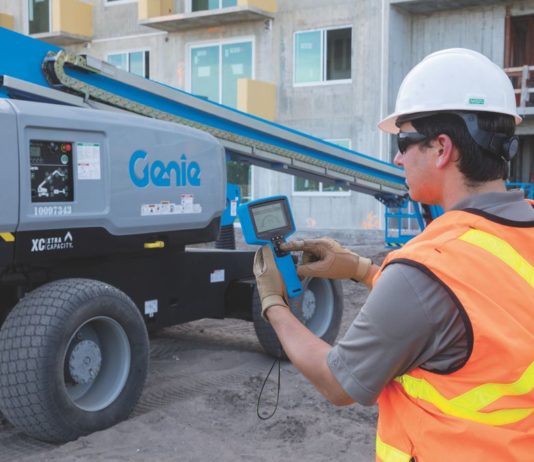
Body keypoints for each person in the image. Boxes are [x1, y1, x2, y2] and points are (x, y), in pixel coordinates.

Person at [252, 48, 534, 462]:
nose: (398, 157)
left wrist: (273, 304)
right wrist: (361, 269)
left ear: (442, 149)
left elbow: (337, 382)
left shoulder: (427, 269)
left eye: (403, 141)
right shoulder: (516, 232)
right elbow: (481, 300)